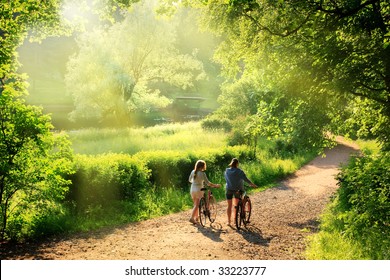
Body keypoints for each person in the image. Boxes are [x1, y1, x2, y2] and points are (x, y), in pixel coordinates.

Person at [224, 158, 257, 226]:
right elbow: (246, 179)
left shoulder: (226, 171)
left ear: (231, 163)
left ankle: (228, 221)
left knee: (229, 205)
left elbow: (226, 179)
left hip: (229, 189)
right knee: (236, 205)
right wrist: (252, 184)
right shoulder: (240, 171)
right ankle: (235, 221)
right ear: (237, 164)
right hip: (238, 190)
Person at [188, 160, 220, 224]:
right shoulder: (202, 173)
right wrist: (215, 185)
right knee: (197, 204)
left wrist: (195, 182)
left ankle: (197, 218)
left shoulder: (193, 171)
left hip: (192, 189)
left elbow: (189, 180)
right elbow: (208, 183)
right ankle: (192, 218)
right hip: (199, 189)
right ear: (202, 166)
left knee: (195, 204)